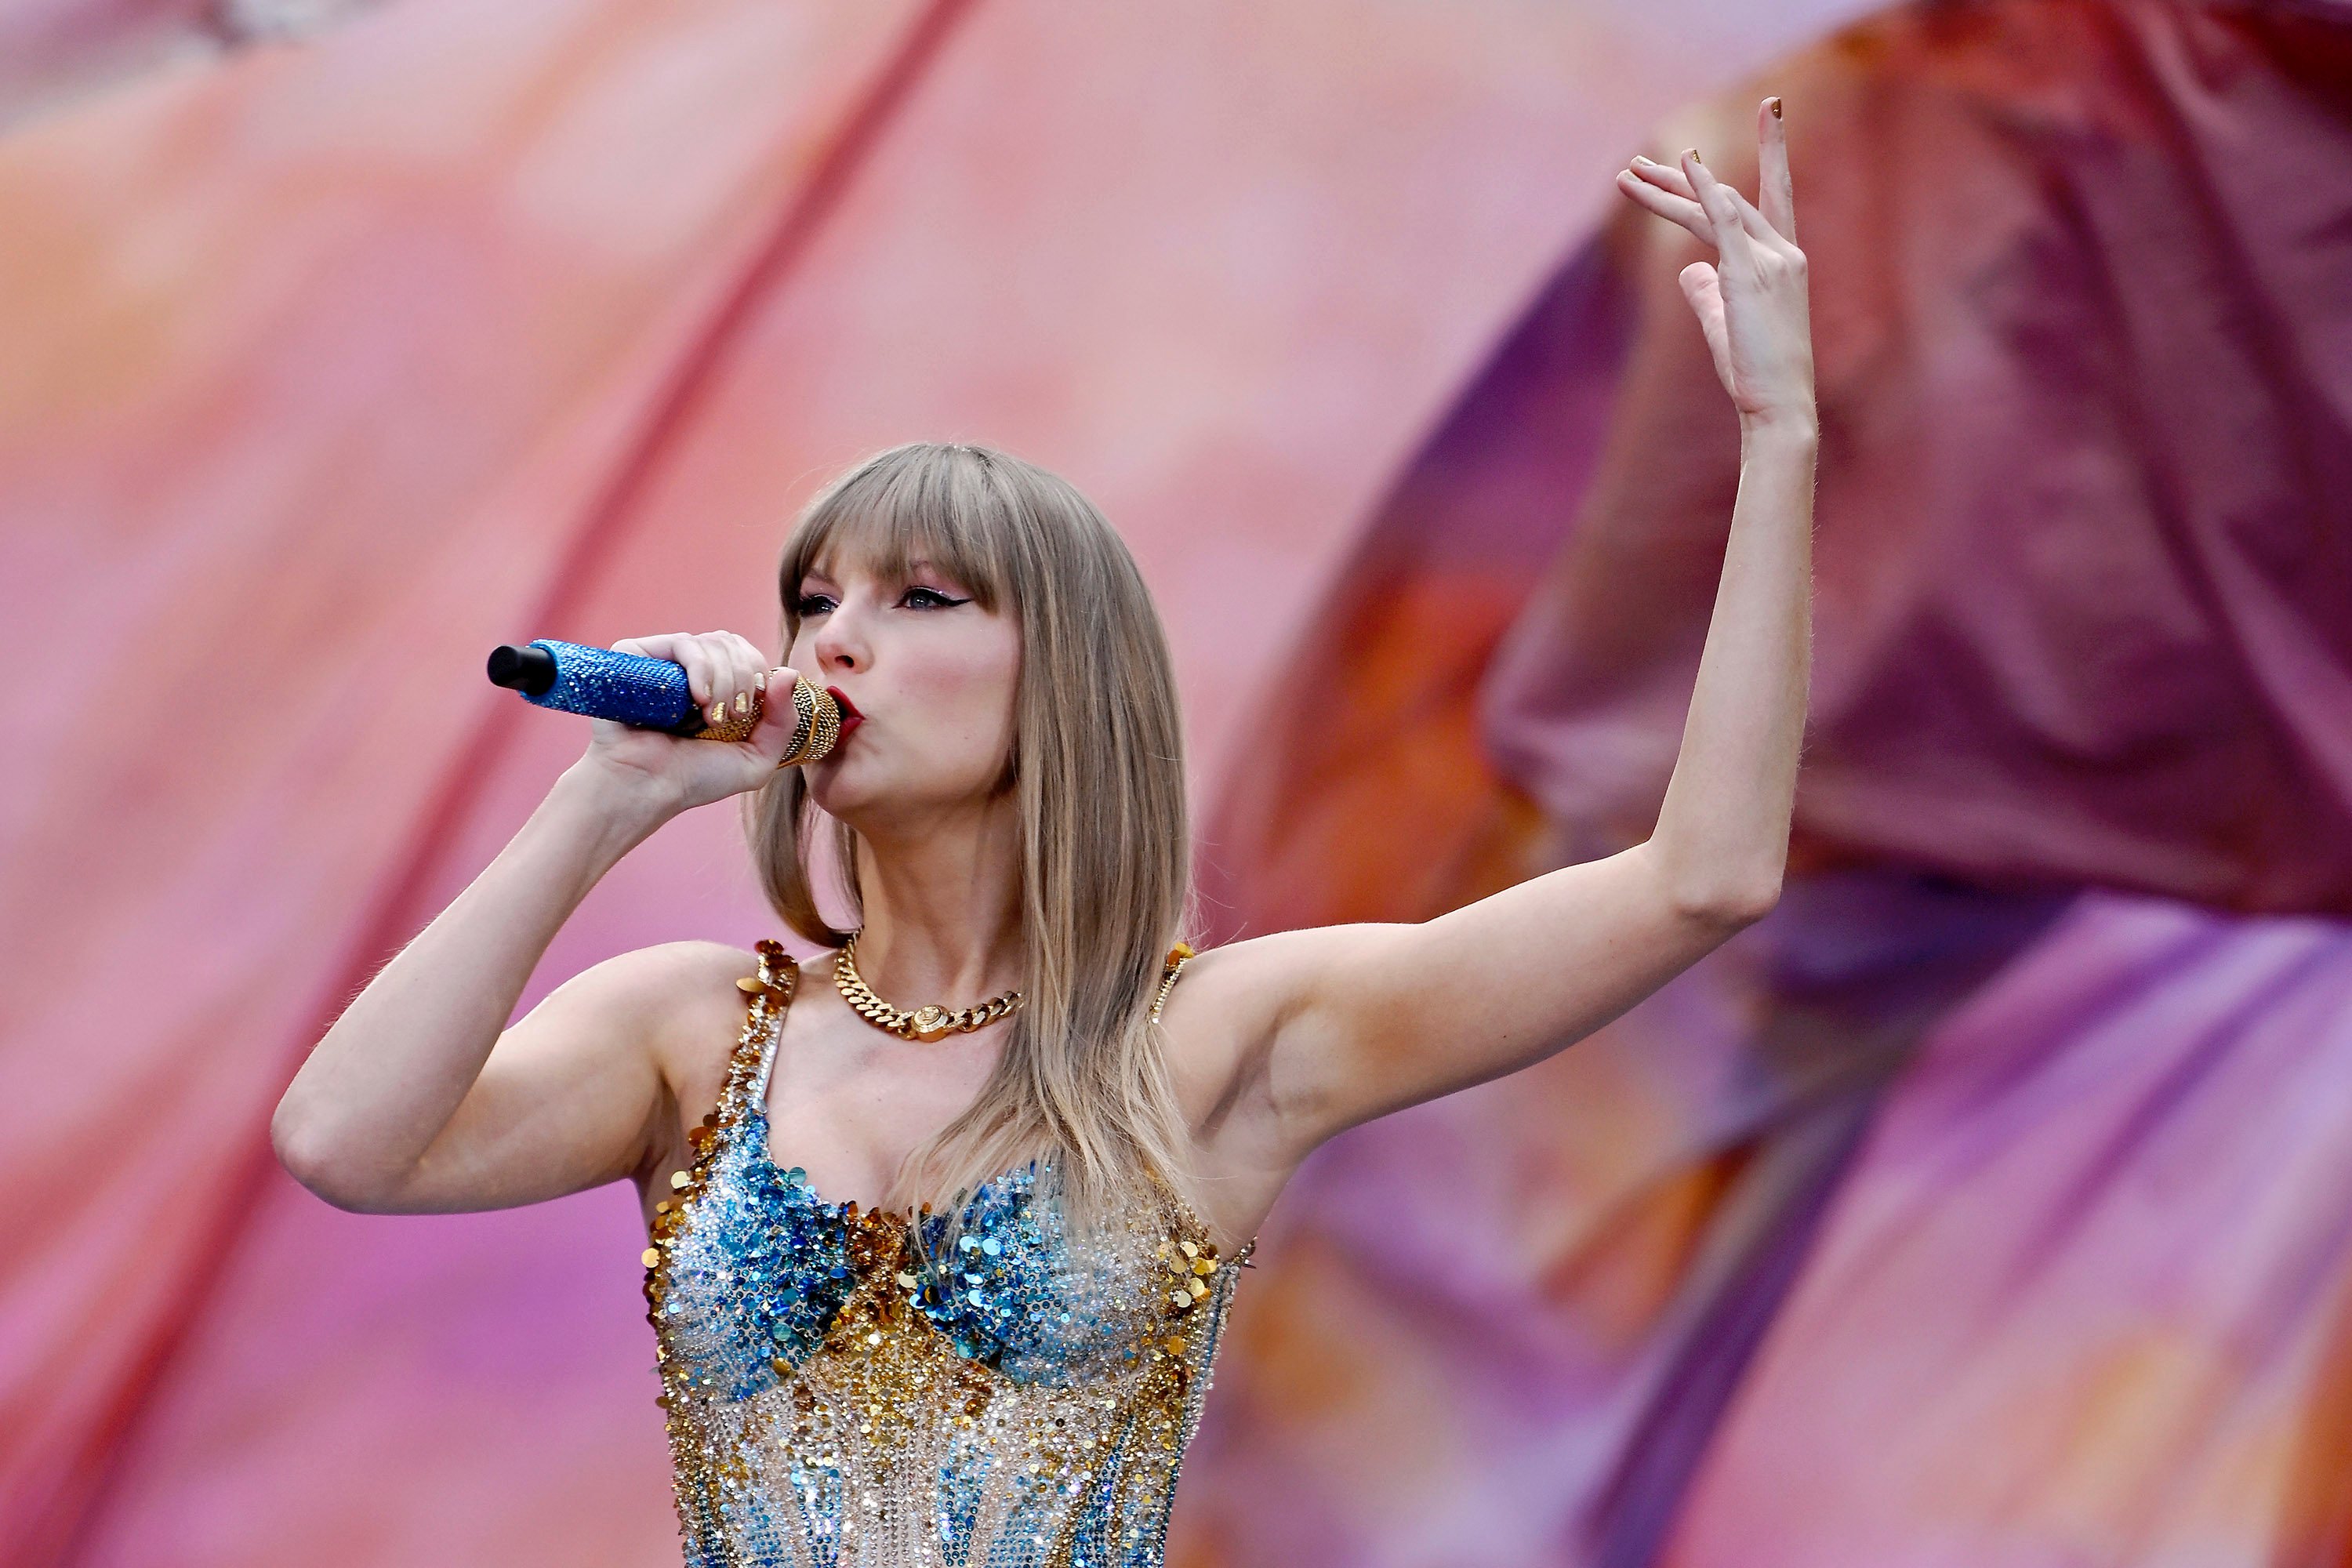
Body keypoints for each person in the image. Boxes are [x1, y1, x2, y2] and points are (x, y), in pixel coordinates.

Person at [270, 98, 1813, 1568]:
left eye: (920, 598)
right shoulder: (690, 1029)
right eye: (816, 600)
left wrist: (1779, 436)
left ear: (1064, 678)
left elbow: (1707, 876)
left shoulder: (1217, 1047)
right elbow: (344, 1140)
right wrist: (602, 801)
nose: (838, 642)